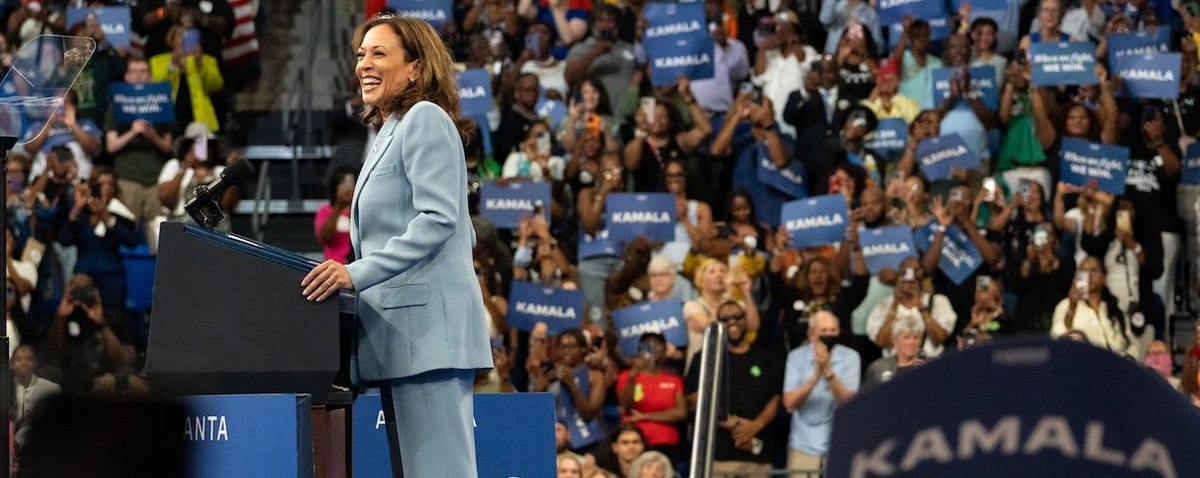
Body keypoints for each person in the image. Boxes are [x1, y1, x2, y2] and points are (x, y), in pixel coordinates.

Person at [301, 15, 492, 478]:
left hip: (429, 335)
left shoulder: (425, 118)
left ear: (415, 67)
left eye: (379, 53)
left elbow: (440, 220)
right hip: (403, 339)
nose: (364, 64)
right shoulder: (390, 128)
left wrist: (354, 272)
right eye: (361, 54)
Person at [684, 300, 781, 476]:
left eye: (738, 316)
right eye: (725, 318)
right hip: (715, 458)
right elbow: (691, 400)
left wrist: (755, 425)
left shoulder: (765, 357)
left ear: (746, 320)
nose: (732, 322)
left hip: (757, 456)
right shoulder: (705, 357)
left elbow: (776, 398)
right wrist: (729, 422)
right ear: (717, 323)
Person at [783, 310, 860, 473]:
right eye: (824, 331)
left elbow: (848, 403)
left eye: (833, 331)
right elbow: (789, 403)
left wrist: (828, 372)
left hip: (839, 445)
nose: (829, 335)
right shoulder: (796, 357)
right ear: (811, 334)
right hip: (802, 445)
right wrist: (815, 376)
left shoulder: (851, 357)